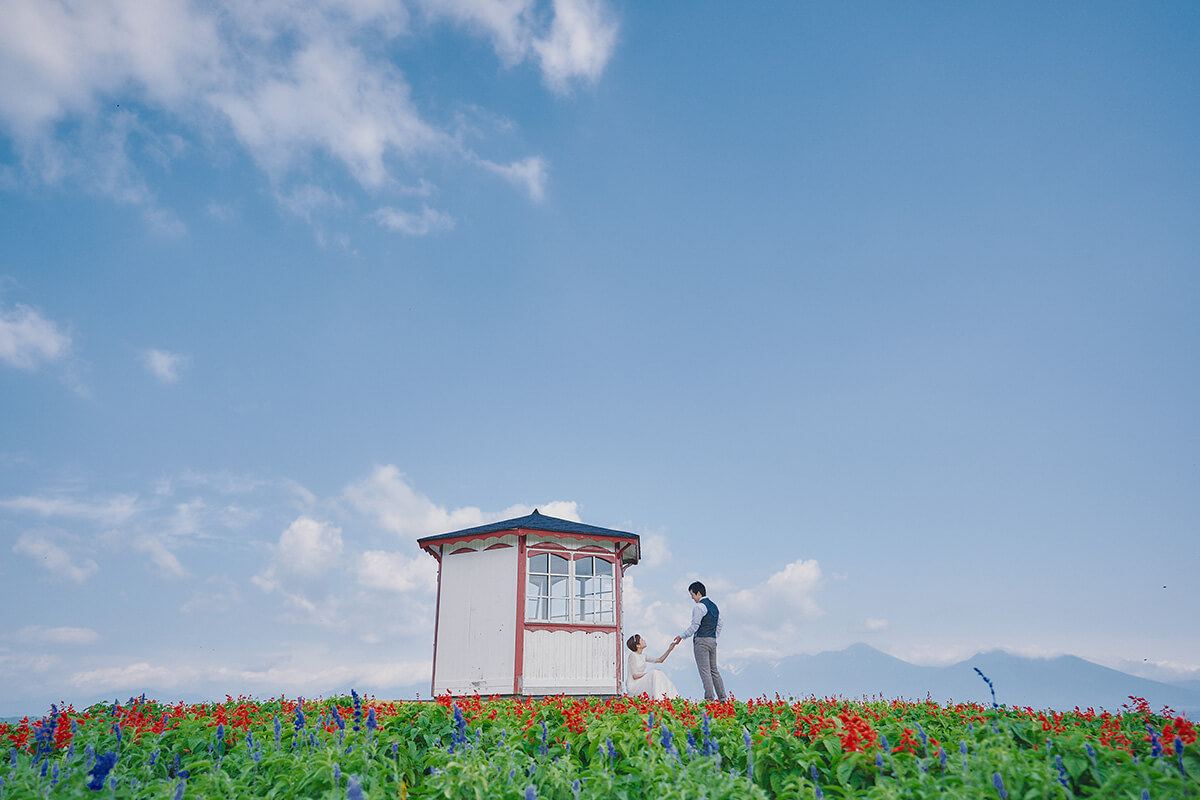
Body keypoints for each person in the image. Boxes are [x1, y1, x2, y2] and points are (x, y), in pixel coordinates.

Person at [672, 580, 727, 701]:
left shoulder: (699, 607)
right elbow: (720, 623)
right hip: (712, 640)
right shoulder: (714, 606)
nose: (692, 598)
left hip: (701, 641)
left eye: (692, 594)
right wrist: (713, 636)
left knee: (705, 671)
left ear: (698, 593)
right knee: (714, 671)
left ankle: (709, 699)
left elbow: (694, 626)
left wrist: (681, 636)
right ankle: (723, 699)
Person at [625, 633, 680, 699]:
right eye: (642, 640)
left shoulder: (643, 656)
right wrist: (649, 674)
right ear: (638, 645)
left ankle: (669, 697)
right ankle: (659, 699)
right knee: (654, 673)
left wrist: (670, 649)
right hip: (634, 685)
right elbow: (635, 676)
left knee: (659, 673)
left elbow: (660, 660)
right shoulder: (632, 655)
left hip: (640, 681)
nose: (644, 641)